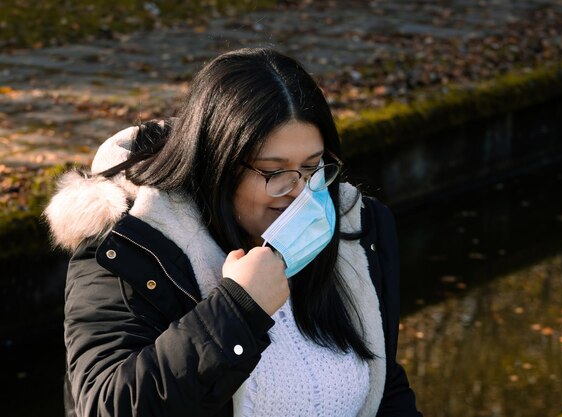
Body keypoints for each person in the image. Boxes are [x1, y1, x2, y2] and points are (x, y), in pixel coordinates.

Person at [44, 47, 422, 417]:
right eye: (274, 172)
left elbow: (384, 385)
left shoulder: (355, 231)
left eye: (312, 166)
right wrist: (237, 310)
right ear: (217, 164)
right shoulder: (130, 246)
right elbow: (106, 405)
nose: (300, 191)